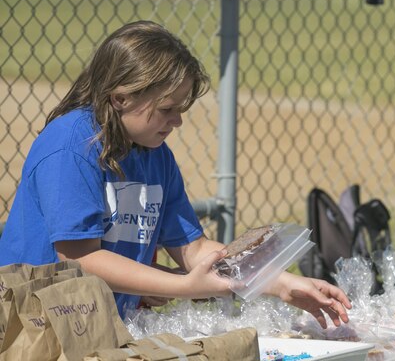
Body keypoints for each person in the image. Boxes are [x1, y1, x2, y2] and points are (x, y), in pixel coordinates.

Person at [0, 20, 351, 328]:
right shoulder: (71, 145)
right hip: (34, 325)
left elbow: (194, 249)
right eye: (167, 109)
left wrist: (280, 282)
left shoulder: (156, 156)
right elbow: (80, 259)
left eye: (181, 109)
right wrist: (180, 286)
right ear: (120, 97)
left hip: (96, 325)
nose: (178, 121)